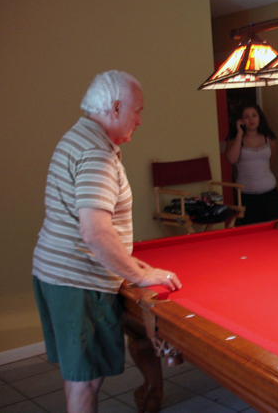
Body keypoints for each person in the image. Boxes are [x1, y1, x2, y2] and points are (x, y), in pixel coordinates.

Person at [32, 70, 182, 413]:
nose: (140, 120)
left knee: (79, 377)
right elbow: (95, 231)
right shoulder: (95, 153)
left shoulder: (80, 137)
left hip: (57, 275)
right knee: (86, 381)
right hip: (77, 282)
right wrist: (140, 276)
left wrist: (128, 263)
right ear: (116, 108)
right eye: (138, 111)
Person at [225, 104, 278, 225]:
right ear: (241, 120)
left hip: (270, 194)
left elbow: (270, 160)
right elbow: (231, 159)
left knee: (274, 231)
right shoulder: (234, 138)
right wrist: (239, 134)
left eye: (254, 116)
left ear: (259, 118)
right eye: (246, 117)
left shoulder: (269, 138)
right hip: (246, 197)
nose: (251, 120)